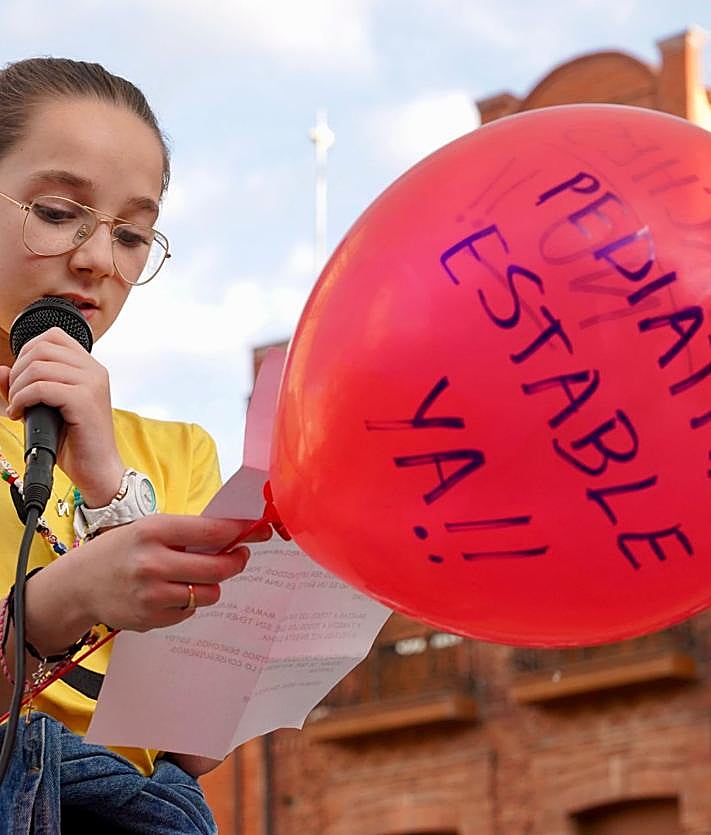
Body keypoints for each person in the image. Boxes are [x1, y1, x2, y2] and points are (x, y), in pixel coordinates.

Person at [0, 57, 271, 833]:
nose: (97, 261)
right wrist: (61, 599)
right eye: (56, 213)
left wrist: (106, 486)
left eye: (131, 234)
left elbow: (194, 743)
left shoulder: (177, 451)